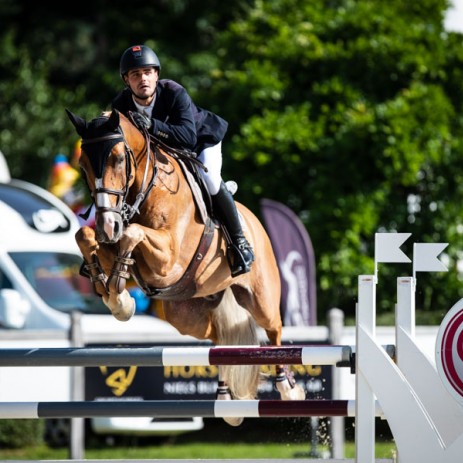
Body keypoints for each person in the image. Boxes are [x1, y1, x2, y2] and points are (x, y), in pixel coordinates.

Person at [111, 44, 254, 277]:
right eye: (135, 74)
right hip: (160, 153)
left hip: (201, 142)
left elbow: (188, 137)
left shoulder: (174, 92)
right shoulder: (120, 105)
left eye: (148, 72)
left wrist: (152, 126)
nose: (143, 79)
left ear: (157, 74)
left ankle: (240, 243)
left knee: (210, 180)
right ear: (127, 81)